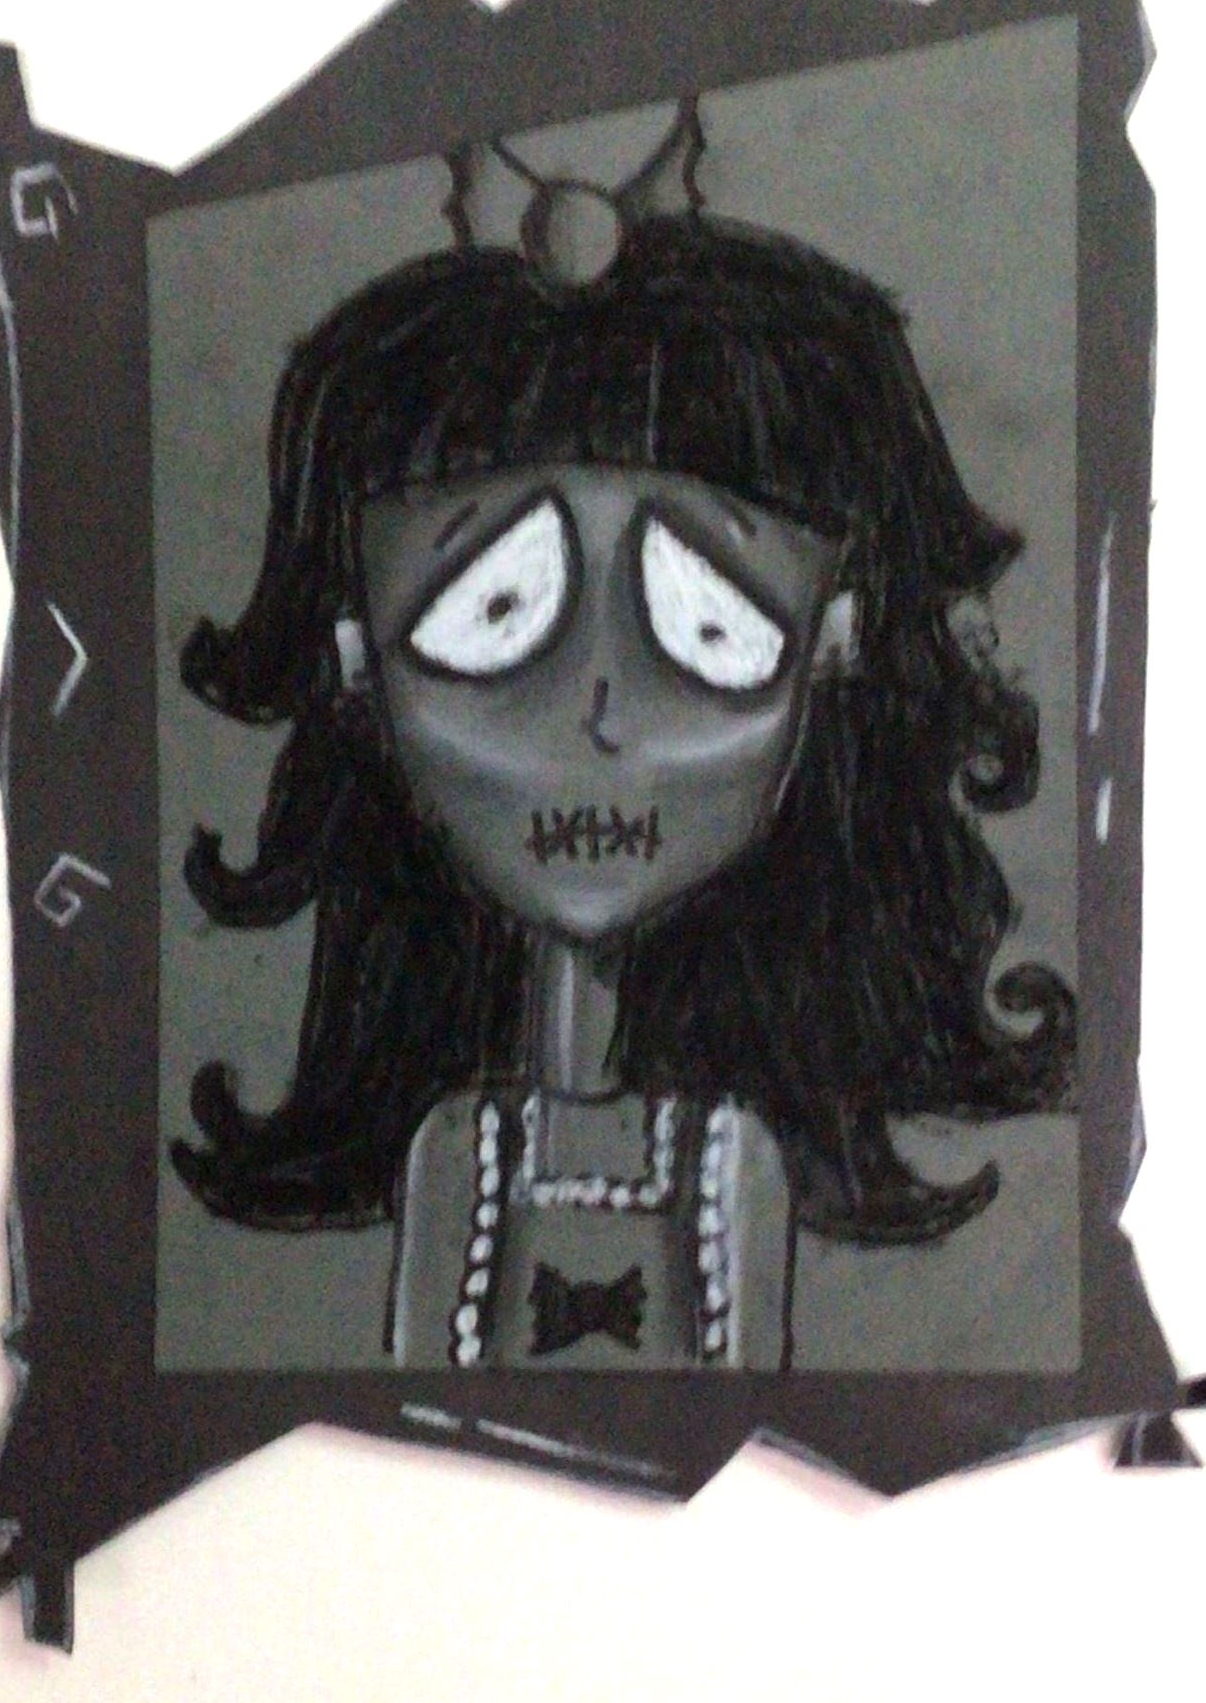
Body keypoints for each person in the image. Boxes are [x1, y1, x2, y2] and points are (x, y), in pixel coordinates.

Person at [169, 131, 1072, 1368]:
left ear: (831, 644)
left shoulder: (742, 1169)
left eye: (708, 627)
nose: (598, 709)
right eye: (493, 615)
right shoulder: (445, 1160)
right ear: (355, 656)